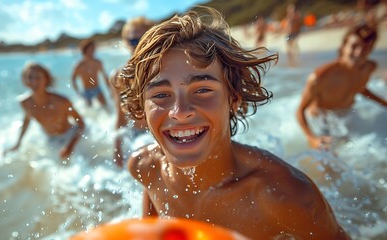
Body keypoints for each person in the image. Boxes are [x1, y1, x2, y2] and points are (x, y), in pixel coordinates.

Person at [116, 7, 350, 240]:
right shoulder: (145, 167)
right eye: (160, 95)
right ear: (142, 107)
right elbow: (151, 230)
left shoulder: (282, 195)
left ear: (234, 99)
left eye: (203, 90)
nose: (180, 112)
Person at [296, 23, 387, 151]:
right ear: (343, 46)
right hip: (322, 119)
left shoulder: (369, 67)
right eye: (354, 46)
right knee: (328, 157)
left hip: (347, 115)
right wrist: (311, 138)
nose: (359, 52)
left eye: (366, 47)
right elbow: (300, 110)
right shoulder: (320, 77)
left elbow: (360, 88)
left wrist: (384, 103)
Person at [5, 63, 85, 161]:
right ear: (25, 80)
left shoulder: (62, 101)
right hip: (50, 139)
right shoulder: (25, 102)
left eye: (38, 77)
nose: (33, 81)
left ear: (46, 79)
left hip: (70, 135)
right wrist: (18, 144)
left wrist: (70, 146)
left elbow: (81, 124)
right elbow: (27, 120)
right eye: (30, 77)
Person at [109, 16, 155, 167]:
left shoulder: (164, 70)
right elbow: (120, 114)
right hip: (135, 135)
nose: (138, 44)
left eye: (143, 38)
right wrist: (117, 147)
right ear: (126, 43)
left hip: (161, 132)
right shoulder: (118, 76)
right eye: (133, 41)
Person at [72, 38, 110, 109]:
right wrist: (78, 92)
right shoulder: (80, 65)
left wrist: (110, 90)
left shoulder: (98, 62)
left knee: (107, 108)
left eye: (93, 49)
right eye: (90, 49)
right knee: (90, 112)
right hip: (86, 91)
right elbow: (73, 79)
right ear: (85, 50)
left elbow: (105, 77)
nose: (92, 51)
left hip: (97, 89)